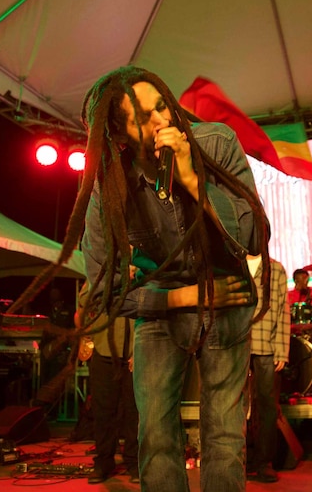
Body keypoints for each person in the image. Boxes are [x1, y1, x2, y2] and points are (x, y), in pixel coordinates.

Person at [53, 66, 268, 492]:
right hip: (162, 307)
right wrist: (181, 298)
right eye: (143, 117)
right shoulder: (108, 185)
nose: (163, 121)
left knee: (224, 438)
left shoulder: (217, 143)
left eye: (162, 106)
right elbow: (102, 293)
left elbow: (254, 237)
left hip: (225, 297)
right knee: (154, 435)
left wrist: (192, 178)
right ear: (119, 135)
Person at [75, 282, 140, 485]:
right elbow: (83, 305)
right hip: (104, 349)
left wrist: (139, 349)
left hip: (133, 352)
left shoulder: (141, 268)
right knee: (103, 411)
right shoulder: (100, 273)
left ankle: (134, 462)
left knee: (134, 412)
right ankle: (103, 461)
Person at [246, 254, 290, 483]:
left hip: (266, 344)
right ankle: (242, 459)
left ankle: (265, 462)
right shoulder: (233, 264)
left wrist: (282, 349)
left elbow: (283, 310)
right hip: (238, 343)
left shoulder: (276, 269)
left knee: (266, 405)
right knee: (235, 404)